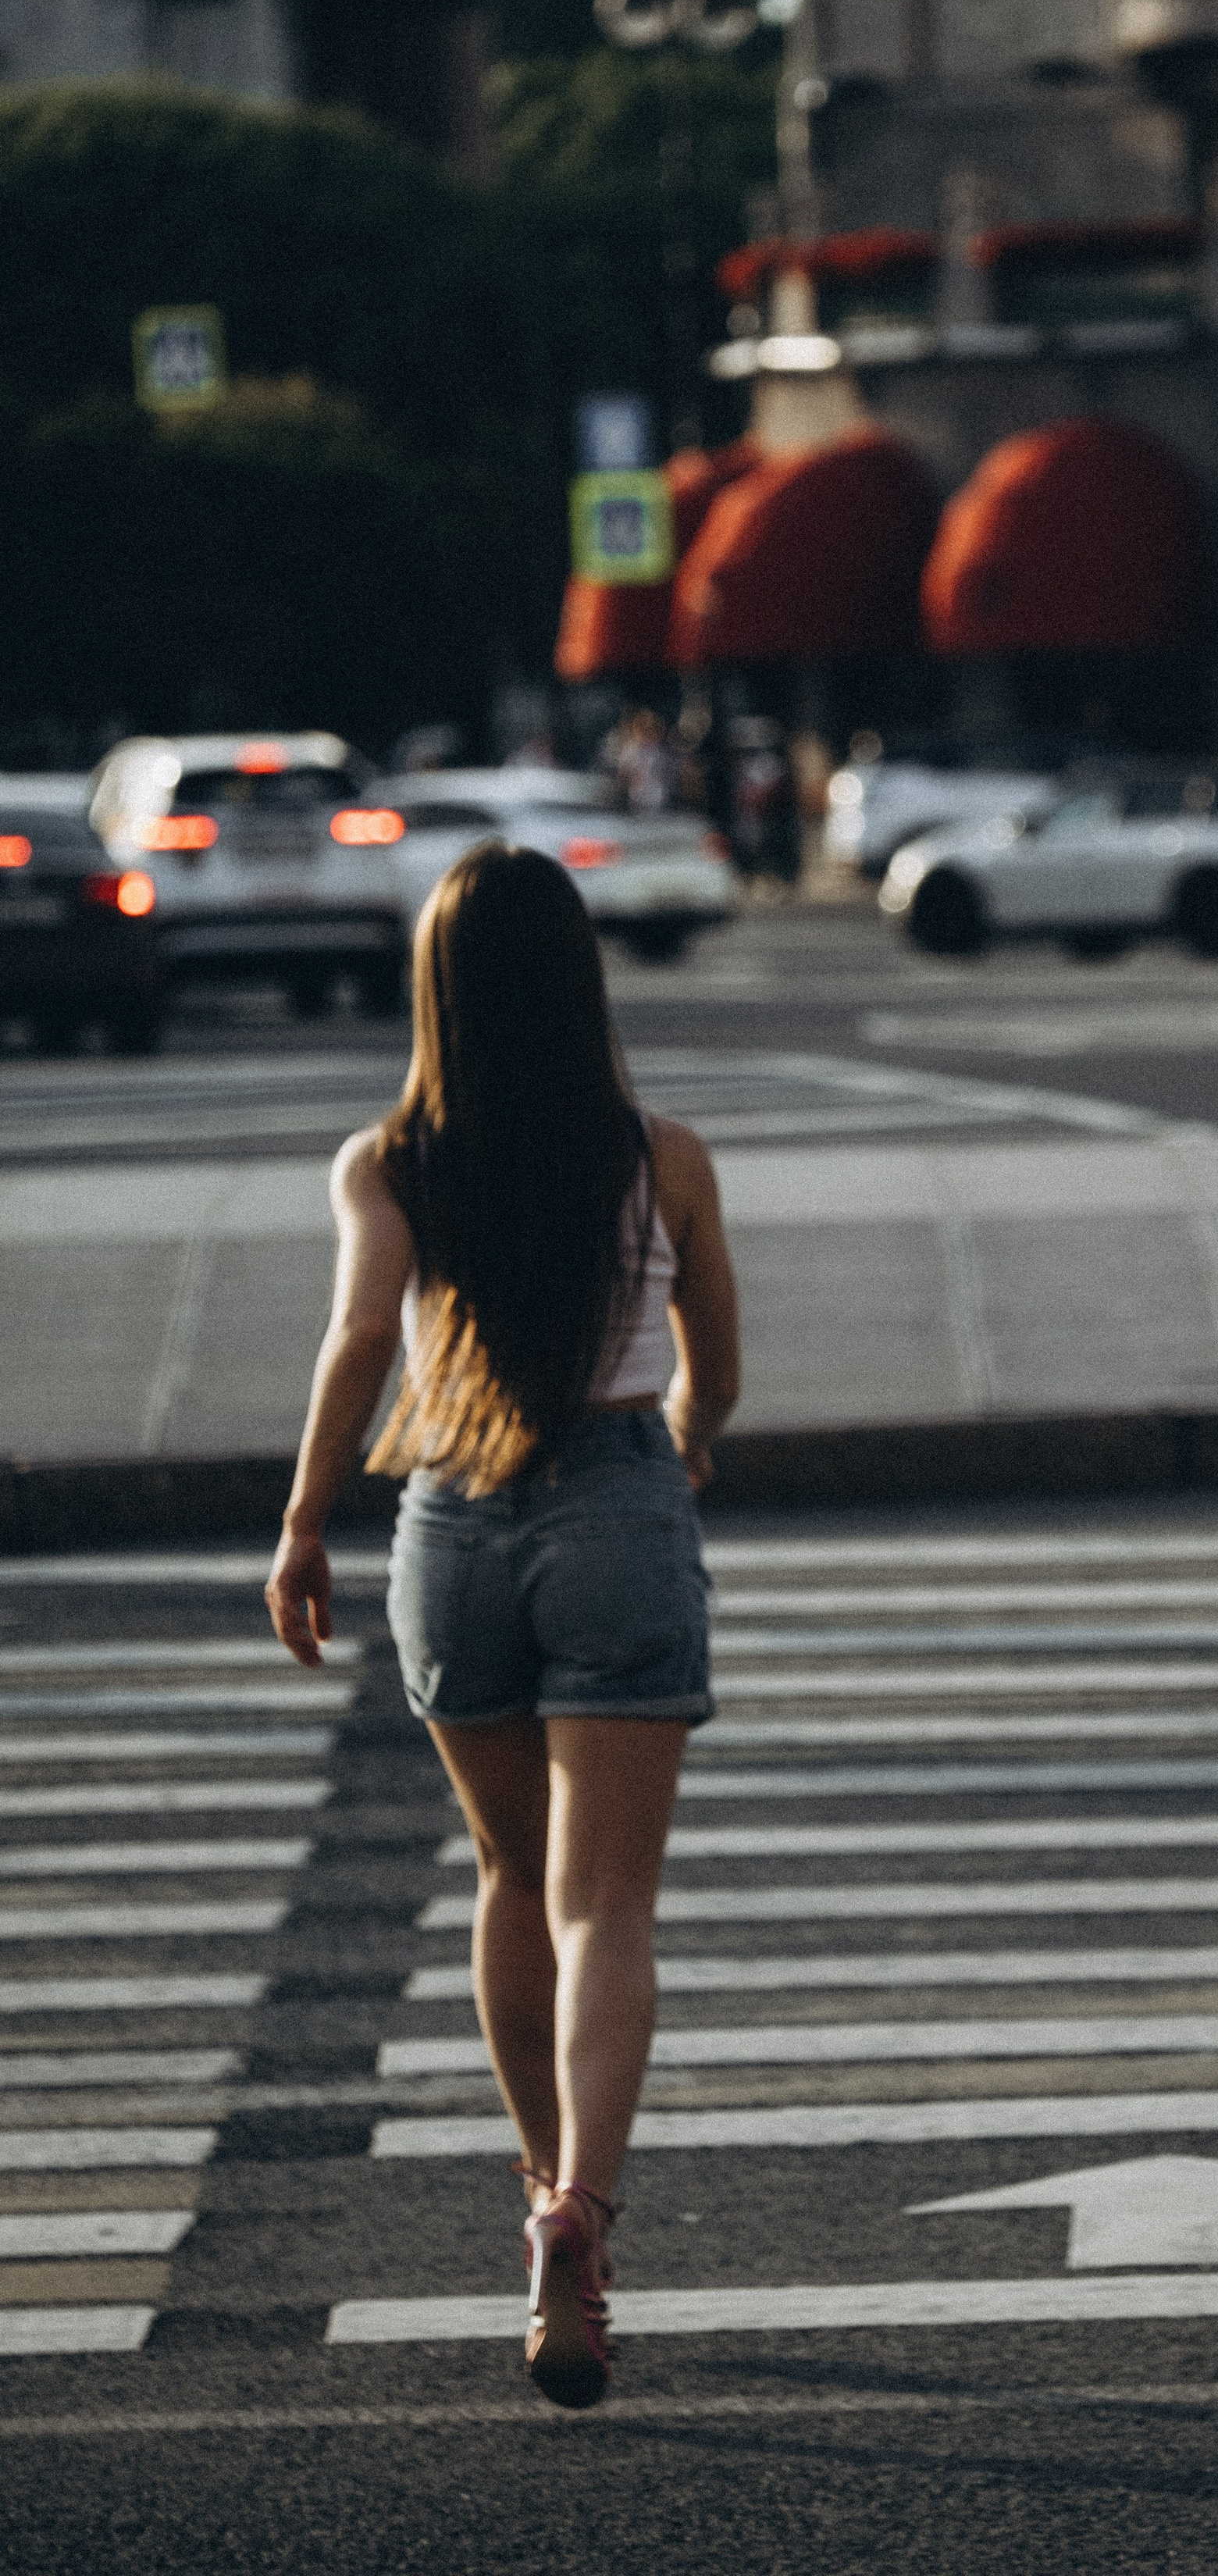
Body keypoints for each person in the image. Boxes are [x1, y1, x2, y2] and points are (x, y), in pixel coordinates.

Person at [263, 841, 740, 2410]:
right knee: (608, 1901)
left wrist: (302, 1524)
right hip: (611, 1496)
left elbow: (355, 1342)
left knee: (507, 1877)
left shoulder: (390, 1160)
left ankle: (536, 2181)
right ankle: (582, 2216)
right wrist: (681, 1442)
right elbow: (713, 1354)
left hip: (449, 1515)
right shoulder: (659, 1153)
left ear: (438, 989)